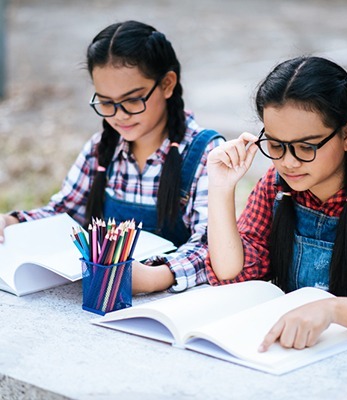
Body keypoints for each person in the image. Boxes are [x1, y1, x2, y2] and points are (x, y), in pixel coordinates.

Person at [0, 20, 224, 294]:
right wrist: (9, 223)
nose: (118, 115)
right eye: (106, 102)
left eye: (132, 100)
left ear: (167, 84)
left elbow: (212, 244)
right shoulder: (102, 148)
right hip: (105, 299)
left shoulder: (205, 154)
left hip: (173, 304)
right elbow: (63, 214)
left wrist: (156, 276)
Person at [205, 56, 347, 351]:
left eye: (306, 147)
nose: (288, 162)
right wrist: (220, 188)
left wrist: (329, 310)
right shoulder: (275, 188)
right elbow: (232, 275)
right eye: (275, 145)